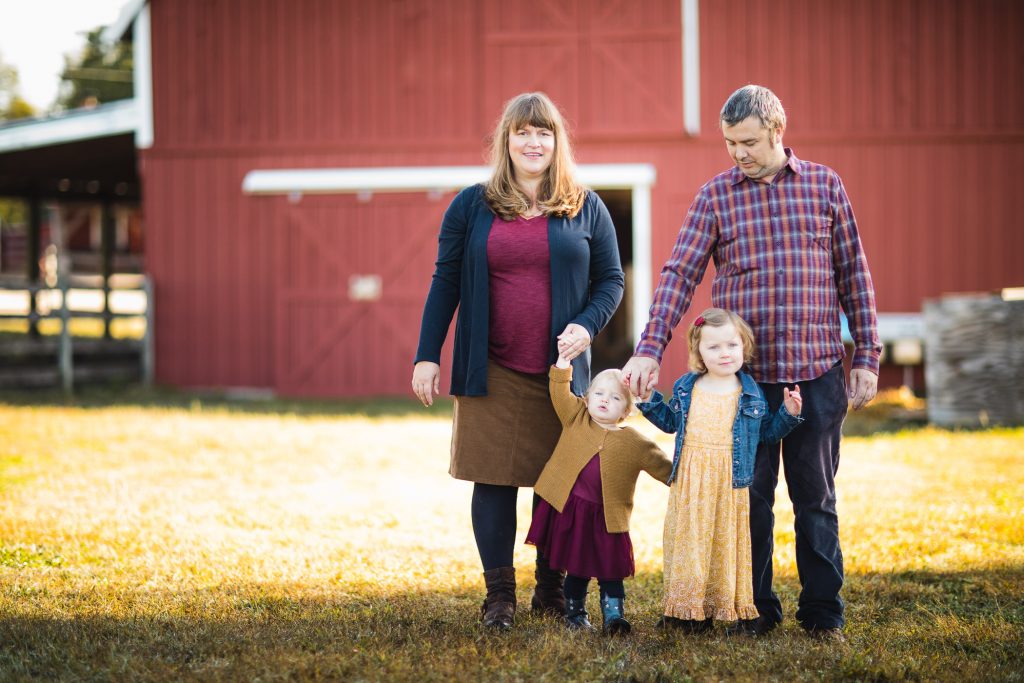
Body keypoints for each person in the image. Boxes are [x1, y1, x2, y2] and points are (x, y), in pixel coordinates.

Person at [623, 85, 880, 641]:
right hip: (745, 389)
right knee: (750, 502)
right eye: (729, 143)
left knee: (816, 500)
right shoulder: (717, 195)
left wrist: (867, 356)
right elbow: (679, 274)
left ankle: (822, 614)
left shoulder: (824, 185)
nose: (738, 152)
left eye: (749, 142)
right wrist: (649, 347)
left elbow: (853, 275)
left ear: (778, 132)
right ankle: (754, 609)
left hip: (817, 373)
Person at [412, 92, 625, 630]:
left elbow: (611, 281)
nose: (534, 142)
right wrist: (426, 356)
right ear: (506, 141)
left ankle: (549, 590)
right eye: (523, 133)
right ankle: (499, 596)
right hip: (492, 367)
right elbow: (445, 282)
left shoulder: (585, 205)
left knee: (558, 482)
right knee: (494, 479)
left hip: (560, 375)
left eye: (544, 133)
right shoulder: (471, 205)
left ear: (558, 141)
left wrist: (586, 324)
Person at [637, 308, 802, 635]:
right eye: (714, 347)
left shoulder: (750, 391)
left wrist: (788, 413)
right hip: (692, 481)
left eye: (732, 345)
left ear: (744, 347)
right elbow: (671, 423)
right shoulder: (688, 386)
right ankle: (685, 612)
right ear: (698, 352)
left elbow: (766, 435)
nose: (725, 353)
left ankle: (726, 609)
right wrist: (647, 400)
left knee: (724, 548)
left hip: (730, 482)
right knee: (689, 545)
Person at [525, 348, 673, 634]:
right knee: (576, 568)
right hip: (573, 513)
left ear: (626, 410)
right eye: (599, 394)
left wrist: (686, 480)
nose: (605, 400)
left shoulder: (635, 443)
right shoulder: (576, 417)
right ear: (588, 397)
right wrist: (563, 364)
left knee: (610, 571)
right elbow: (559, 392)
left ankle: (613, 617)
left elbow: (664, 467)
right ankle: (575, 614)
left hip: (608, 519)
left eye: (616, 397)